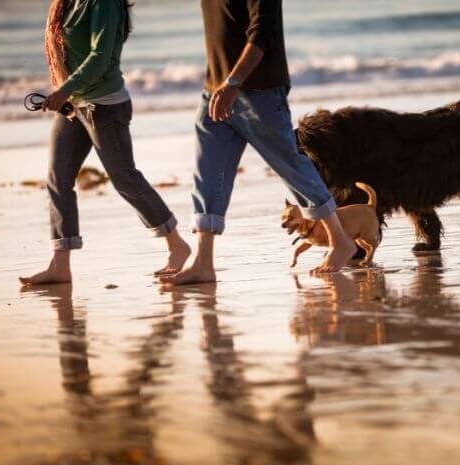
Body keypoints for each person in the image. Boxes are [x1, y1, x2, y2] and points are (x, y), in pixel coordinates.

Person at [161, 0, 356, 285]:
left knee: (289, 165)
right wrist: (224, 84)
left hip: (258, 91)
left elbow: (263, 31)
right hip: (215, 89)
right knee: (208, 171)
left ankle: (340, 241)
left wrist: (234, 81)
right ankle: (203, 261)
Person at [20, 0, 190, 285]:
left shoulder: (104, 3)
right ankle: (60, 264)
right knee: (57, 178)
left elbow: (100, 58)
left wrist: (64, 89)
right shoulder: (67, 3)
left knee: (124, 178)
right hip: (75, 105)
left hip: (105, 107)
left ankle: (177, 245)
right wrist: (67, 93)